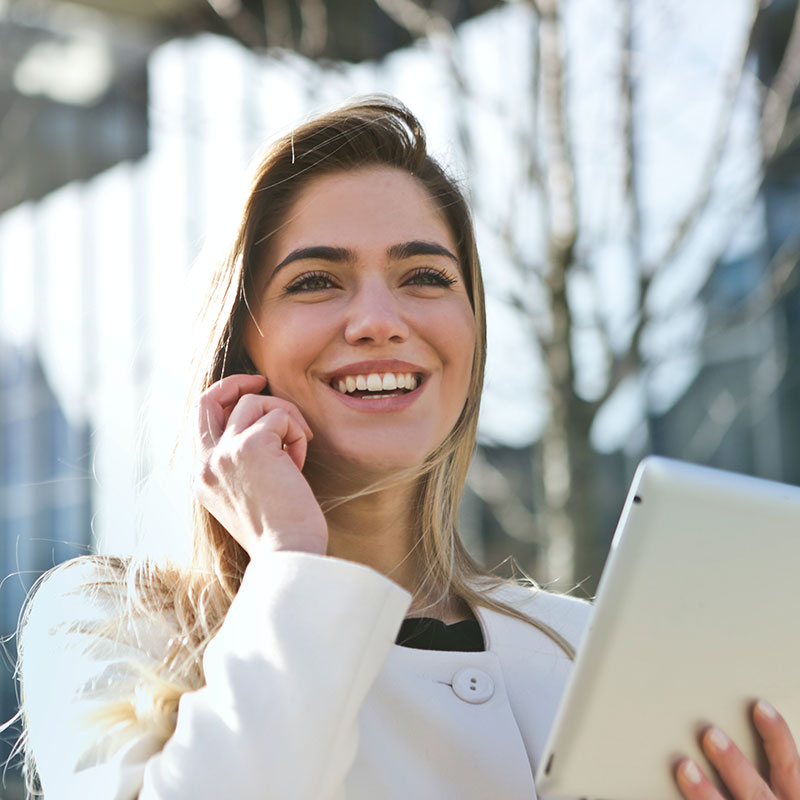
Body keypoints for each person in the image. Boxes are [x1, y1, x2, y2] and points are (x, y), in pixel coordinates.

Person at [16, 97, 800, 800]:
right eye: (316, 281)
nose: (379, 320)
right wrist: (293, 560)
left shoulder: (582, 646)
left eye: (425, 275)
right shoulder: (104, 623)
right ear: (238, 349)